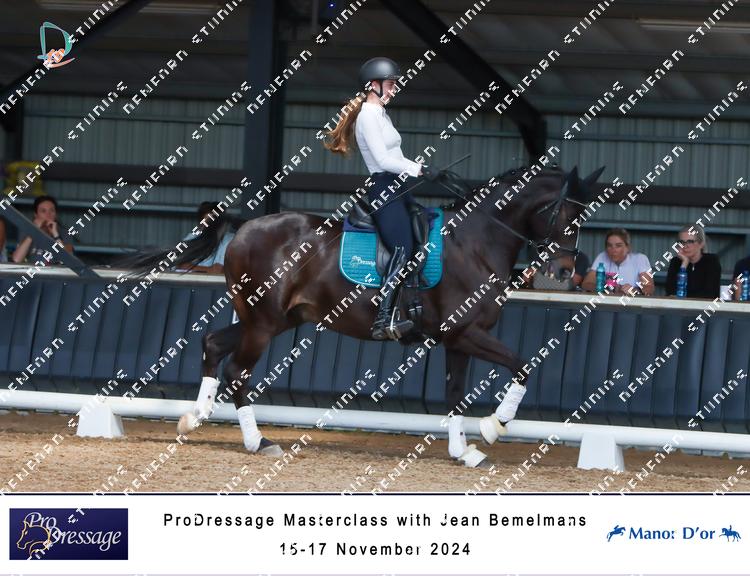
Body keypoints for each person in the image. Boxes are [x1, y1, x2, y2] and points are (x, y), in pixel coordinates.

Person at [323, 57, 438, 340]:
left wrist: (423, 170)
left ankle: (413, 307)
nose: (394, 89)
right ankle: (383, 318)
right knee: (402, 247)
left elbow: (396, 156)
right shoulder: (368, 116)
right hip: (383, 187)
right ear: (373, 85)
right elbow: (384, 160)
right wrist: (419, 169)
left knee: (424, 227)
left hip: (398, 186)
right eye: (390, 84)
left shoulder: (382, 114)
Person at [581, 228, 654, 295]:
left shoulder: (640, 259)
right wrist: (604, 289)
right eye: (609, 245)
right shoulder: (602, 257)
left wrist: (634, 290)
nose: (613, 250)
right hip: (607, 302)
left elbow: (649, 287)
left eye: (618, 245)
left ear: (628, 247)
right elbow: (586, 284)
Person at [11, 195, 74, 264]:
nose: (48, 214)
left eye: (52, 210)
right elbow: (17, 259)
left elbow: (69, 260)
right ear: (36, 215)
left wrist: (56, 235)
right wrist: (33, 231)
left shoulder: (64, 233)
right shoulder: (26, 231)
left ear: (56, 214)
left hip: (56, 270)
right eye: (43, 211)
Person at [178, 201, 235, 275]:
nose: (209, 227)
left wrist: (191, 268)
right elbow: (180, 266)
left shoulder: (230, 241)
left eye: (213, 223)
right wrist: (209, 269)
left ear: (223, 224)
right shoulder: (192, 237)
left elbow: (218, 271)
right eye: (206, 223)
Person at [665, 225, 721, 298]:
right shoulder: (675, 262)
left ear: (701, 244)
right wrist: (684, 264)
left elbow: (710, 293)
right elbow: (671, 292)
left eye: (690, 241)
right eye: (682, 242)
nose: (685, 246)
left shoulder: (711, 261)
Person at [522, 252, 591, 291]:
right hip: (538, 297)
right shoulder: (543, 254)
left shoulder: (580, 257)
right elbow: (526, 278)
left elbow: (572, 284)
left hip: (566, 300)